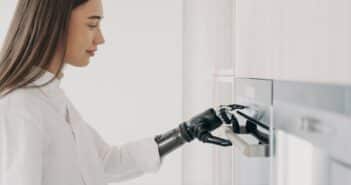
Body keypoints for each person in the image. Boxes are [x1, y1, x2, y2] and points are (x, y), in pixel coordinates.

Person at [0, 0, 234, 185]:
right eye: (92, 24)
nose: (100, 38)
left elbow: (104, 162)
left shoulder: (51, 97)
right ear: (53, 23)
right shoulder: (19, 107)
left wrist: (185, 132)